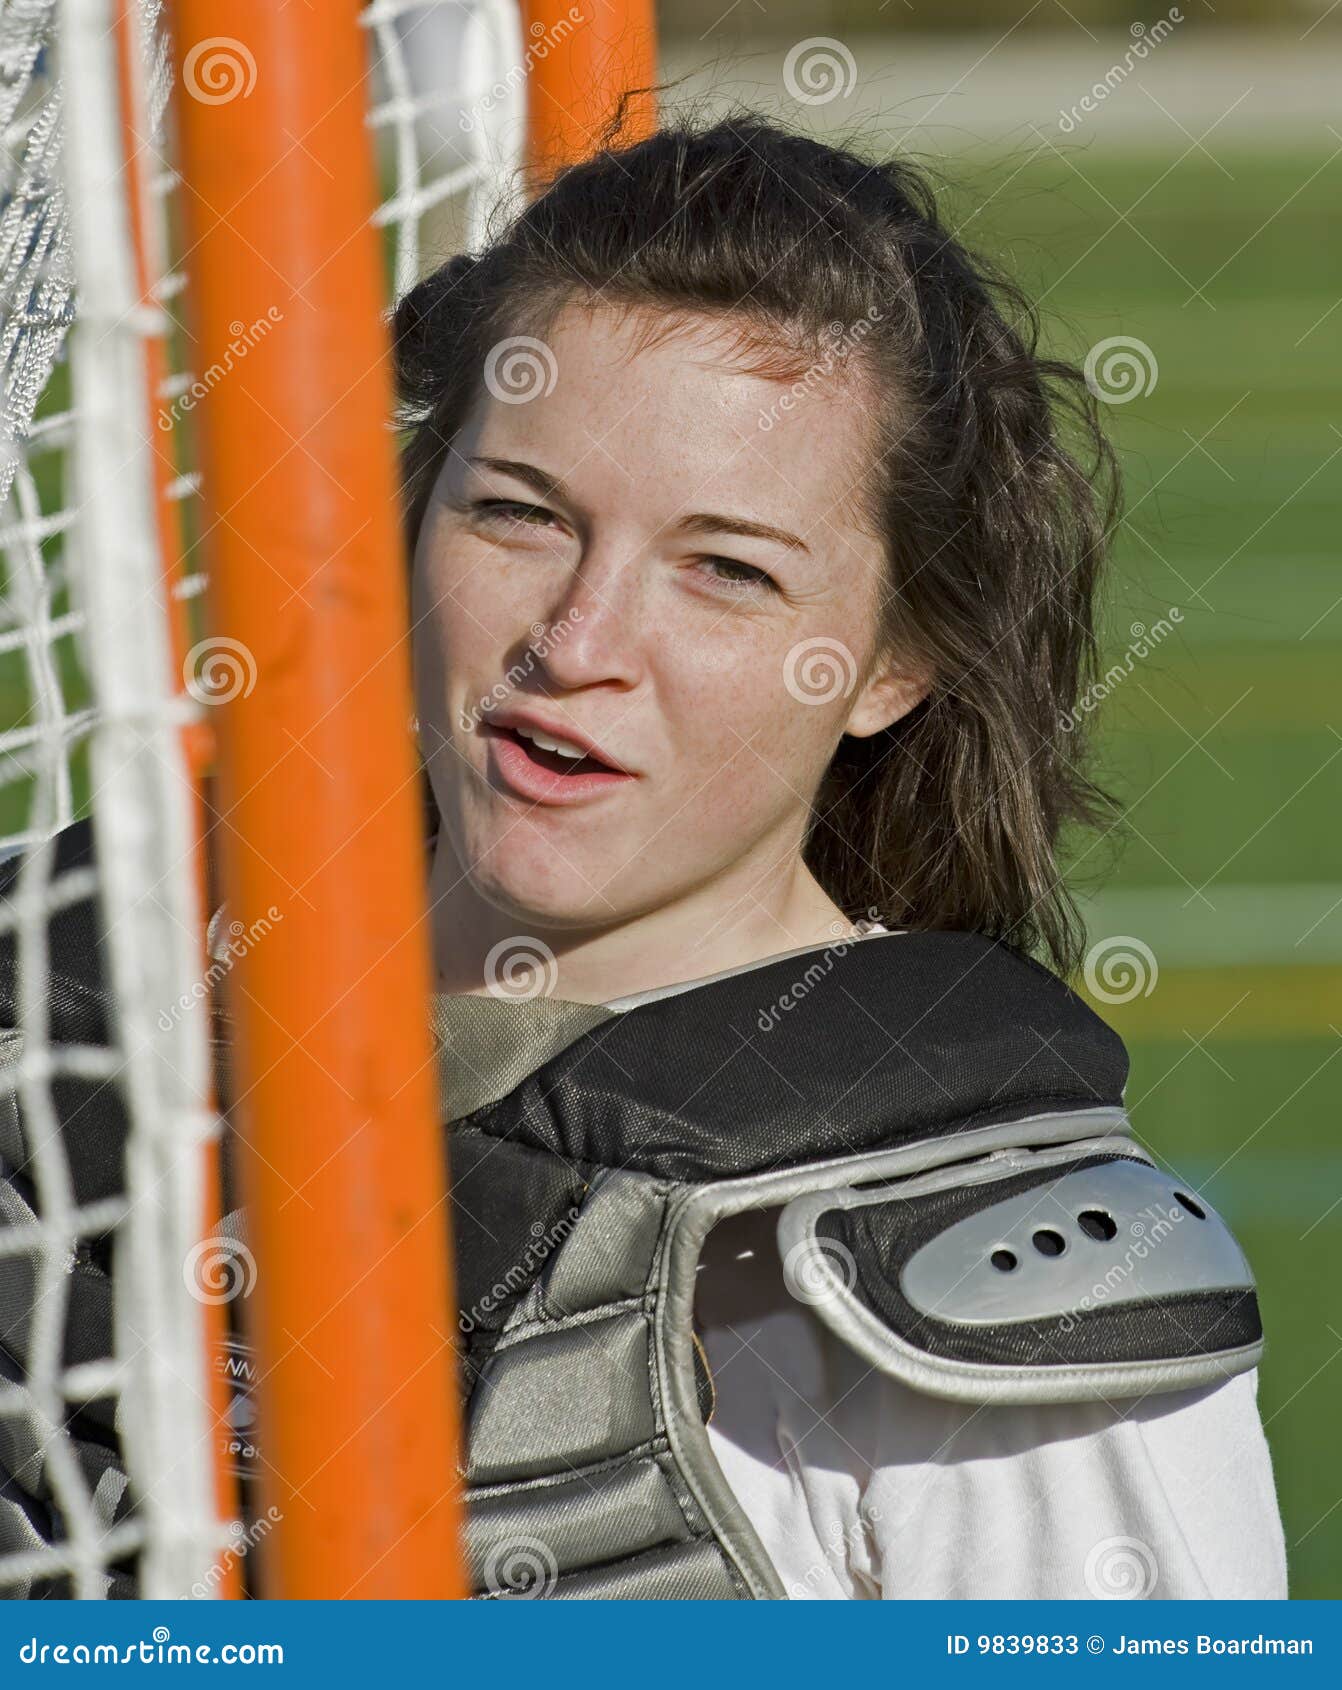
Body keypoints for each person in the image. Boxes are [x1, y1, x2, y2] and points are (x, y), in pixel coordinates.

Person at [0, 109, 1285, 1600]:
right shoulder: (71, 999)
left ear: (894, 662)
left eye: (726, 571)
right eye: (517, 513)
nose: (576, 641)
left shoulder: (1009, 1299)